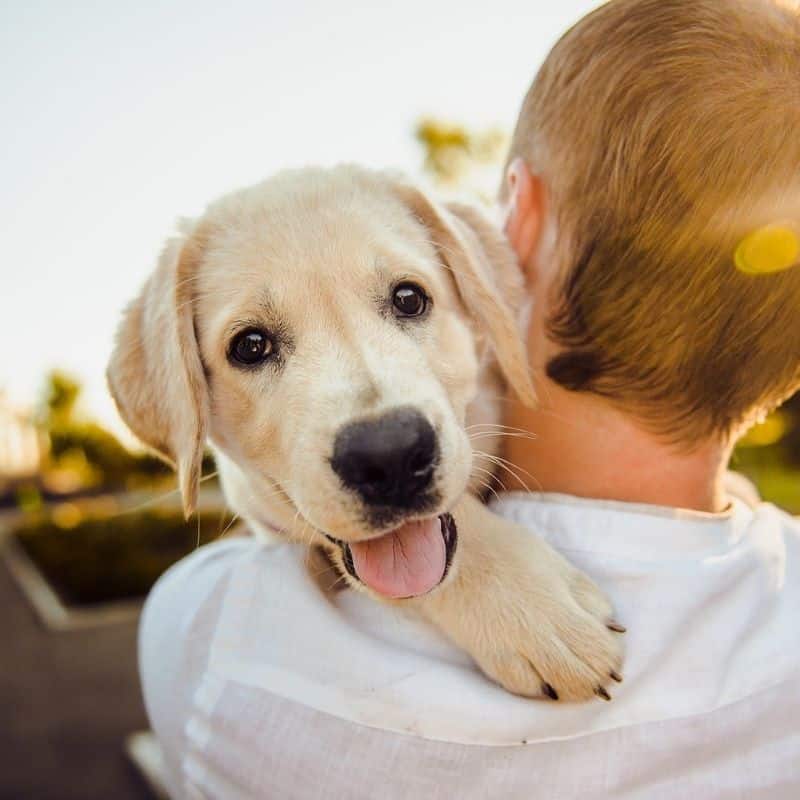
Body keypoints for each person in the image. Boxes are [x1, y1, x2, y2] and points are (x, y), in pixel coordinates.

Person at [139, 1, 800, 797]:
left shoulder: (214, 640)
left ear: (509, 232)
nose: (377, 424)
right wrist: (467, 559)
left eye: (407, 301)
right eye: (255, 347)